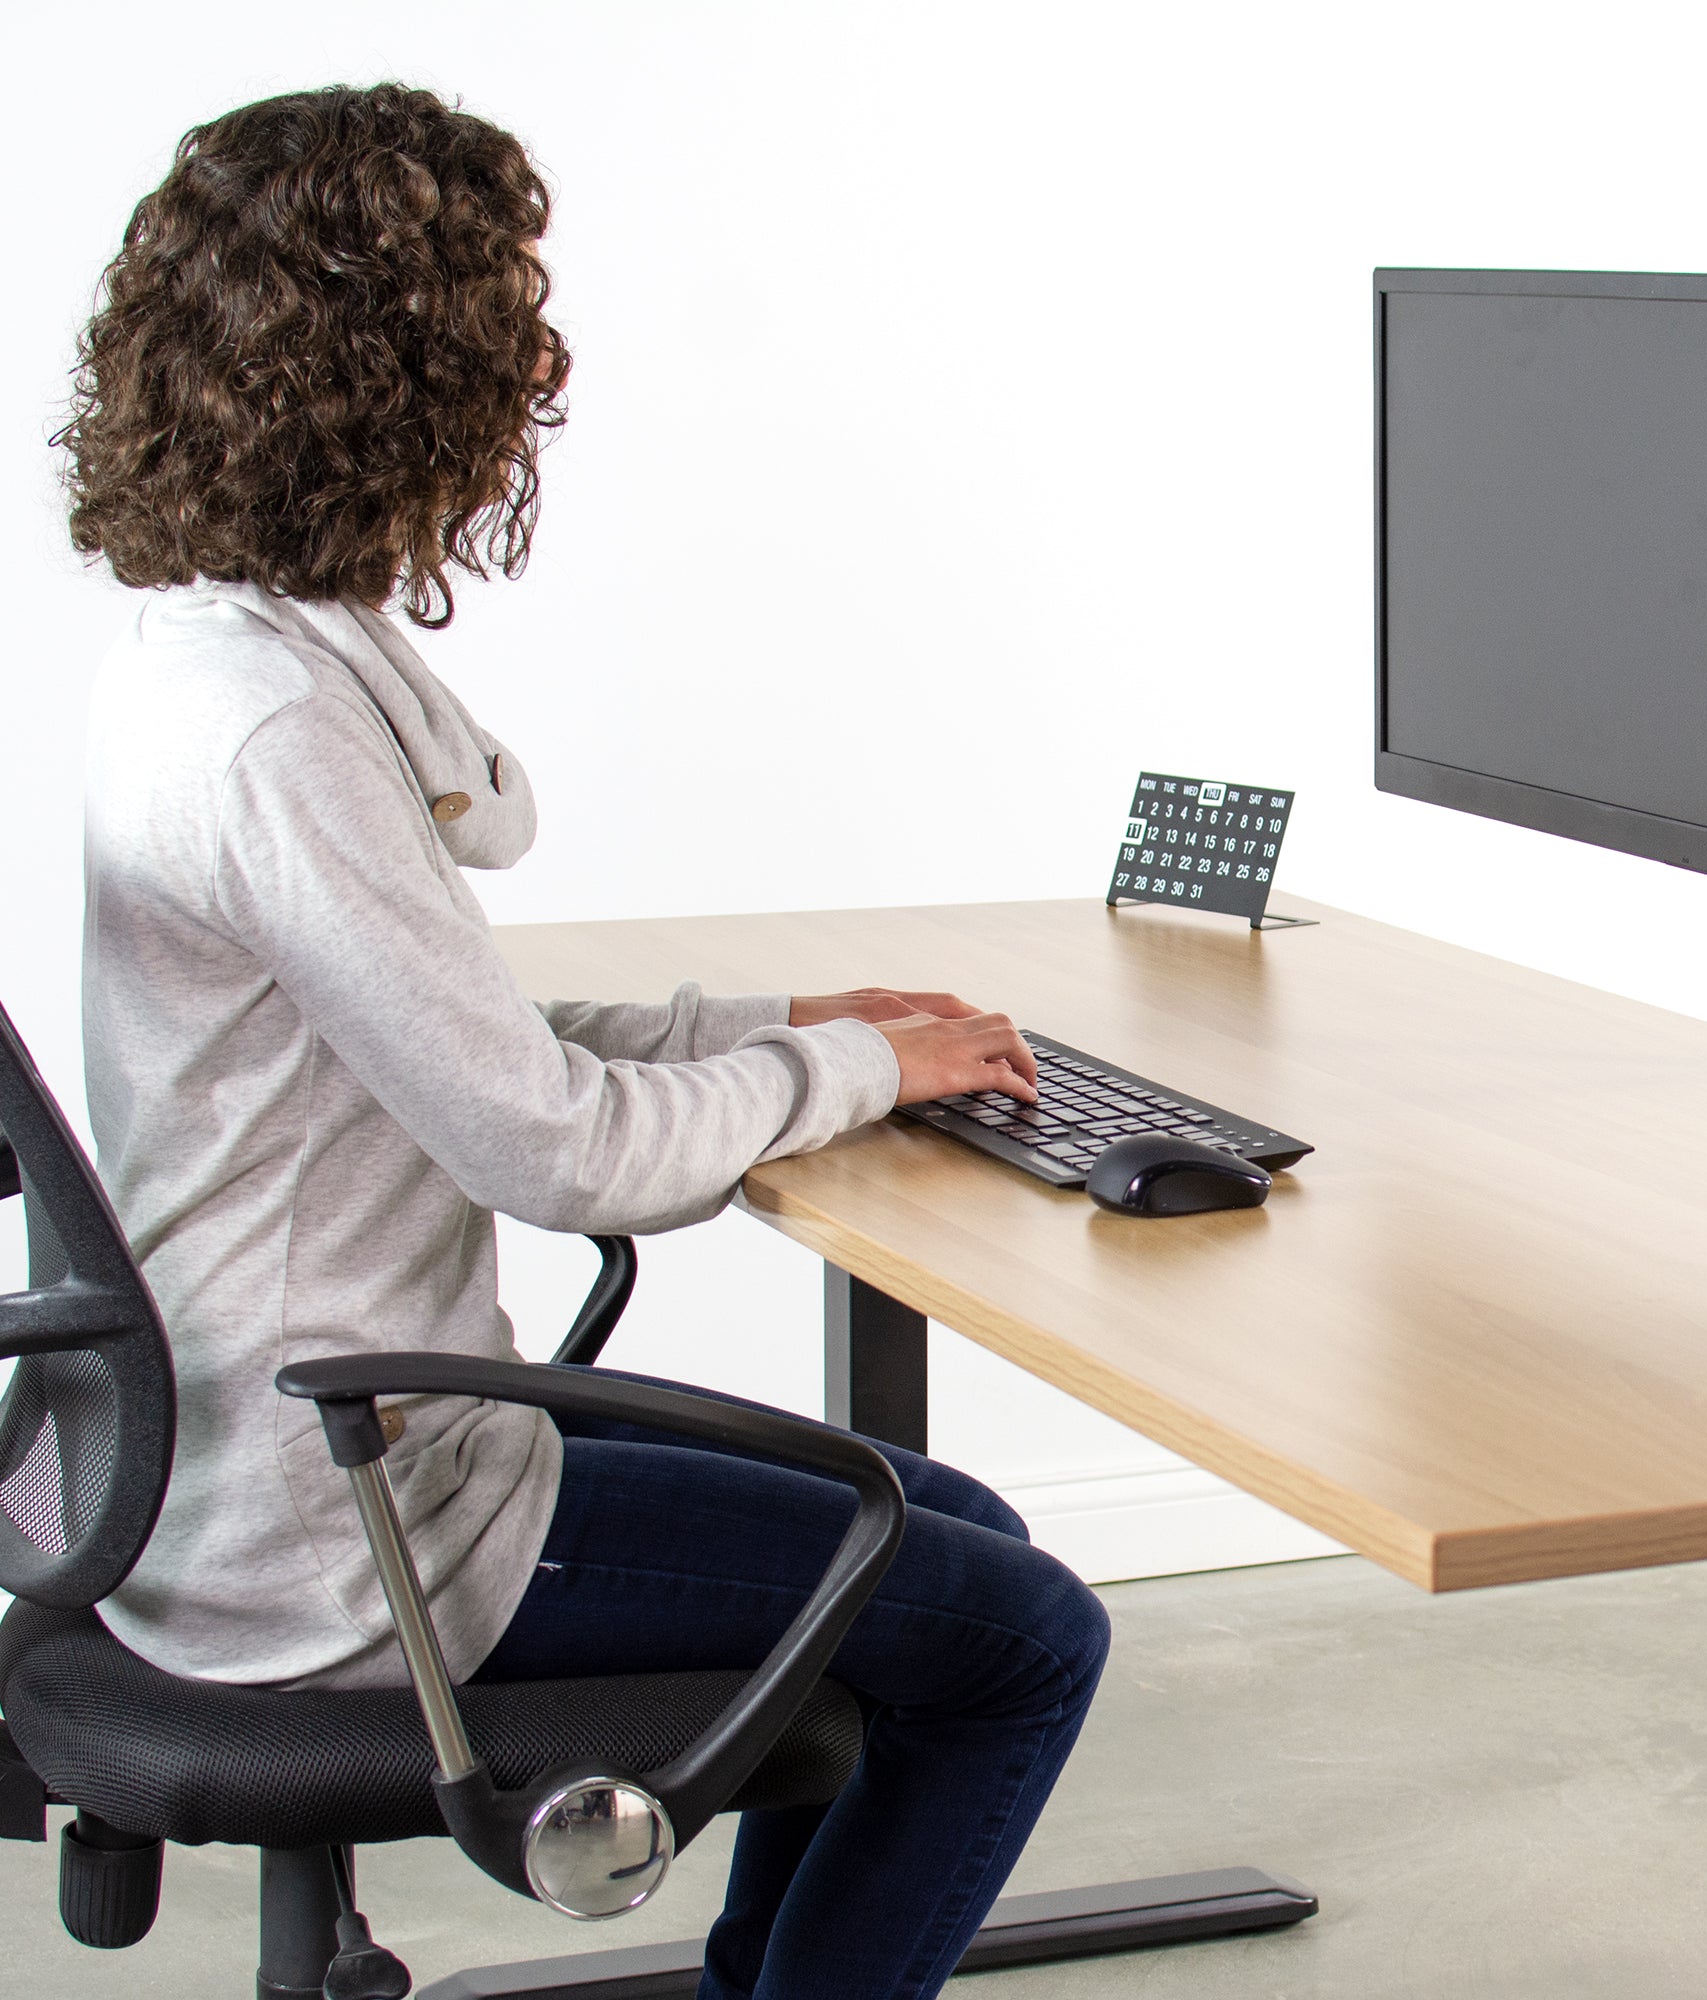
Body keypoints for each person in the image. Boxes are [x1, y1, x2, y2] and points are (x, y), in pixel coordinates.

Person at [60, 82, 1109, 2000]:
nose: (547, 365)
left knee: (943, 1522)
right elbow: (552, 1152)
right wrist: (868, 1075)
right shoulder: (276, 734)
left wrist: (788, 1024)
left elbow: (427, 1042)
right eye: (510, 322)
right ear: (396, 372)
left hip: (244, 1463)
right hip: (347, 1533)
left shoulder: (208, 655)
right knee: (1025, 1637)